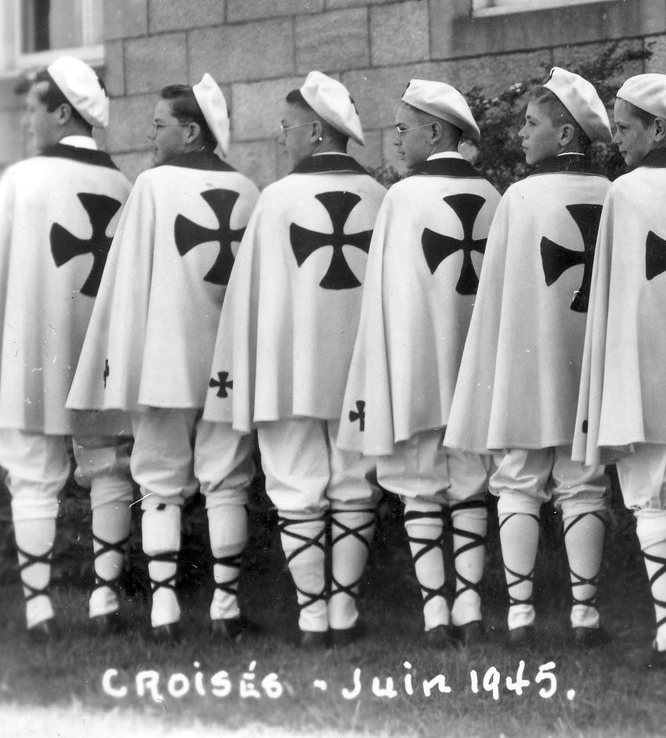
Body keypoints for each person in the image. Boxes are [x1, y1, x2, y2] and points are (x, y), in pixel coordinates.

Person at [68, 75, 259, 641]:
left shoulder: (151, 187)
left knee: (158, 480)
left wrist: (119, 365)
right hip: (230, 367)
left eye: (158, 126)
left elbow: (127, 283)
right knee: (228, 480)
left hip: (166, 364)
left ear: (191, 130)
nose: (149, 137)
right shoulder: (250, 191)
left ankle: (164, 611)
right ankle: (225, 609)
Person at [204, 72, 385, 647]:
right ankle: (344, 612)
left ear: (314, 130)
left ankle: (312, 617)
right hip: (362, 372)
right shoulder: (382, 199)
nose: (283, 139)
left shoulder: (277, 199)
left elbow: (248, 301)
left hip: (290, 372)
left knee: (295, 482)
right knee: (357, 483)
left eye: (286, 128)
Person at [446, 68, 613, 649]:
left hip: (528, 355)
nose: (519, 133)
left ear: (566, 135)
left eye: (531, 122)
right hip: (589, 359)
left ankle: (520, 614)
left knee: (518, 478)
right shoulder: (610, 193)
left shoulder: (519, 197)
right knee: (583, 478)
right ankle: (584, 615)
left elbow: (498, 295)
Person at [337, 79, 501, 647]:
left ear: (436, 132)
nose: (396, 140)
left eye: (404, 129)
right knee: (473, 480)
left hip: (418, 364)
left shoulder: (404, 198)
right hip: (475, 364)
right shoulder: (493, 196)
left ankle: (437, 615)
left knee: (420, 483)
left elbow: (387, 294)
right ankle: (472, 608)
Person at [572, 73, 666, 669]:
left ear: (659, 128)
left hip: (646, 372)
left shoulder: (627, 193)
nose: (617, 141)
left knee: (652, 501)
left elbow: (609, 296)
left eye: (626, 127)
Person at [0, 56, 133, 640]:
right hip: (104, 352)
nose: (26, 121)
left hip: (35, 348)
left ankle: (39, 610)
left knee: (33, 470)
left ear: (60, 111)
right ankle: (106, 600)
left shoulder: (20, 183)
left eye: (32, 108)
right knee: (109, 465)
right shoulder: (126, 186)